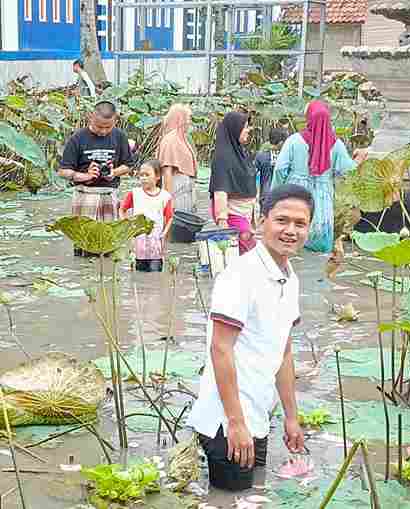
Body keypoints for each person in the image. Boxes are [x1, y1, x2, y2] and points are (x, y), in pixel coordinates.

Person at [187, 184, 312, 492]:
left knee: (253, 492)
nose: (290, 231)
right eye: (281, 220)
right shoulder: (239, 276)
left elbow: (282, 353)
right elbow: (221, 349)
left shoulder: (289, 278)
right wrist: (235, 422)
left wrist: (291, 417)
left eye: (300, 224)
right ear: (260, 222)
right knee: (231, 497)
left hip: (256, 416)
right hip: (227, 420)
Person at [272, 100, 368, 253]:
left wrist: (275, 194)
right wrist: (359, 159)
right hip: (323, 196)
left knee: (290, 233)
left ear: (308, 117)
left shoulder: (294, 140)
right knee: (318, 242)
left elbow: (280, 169)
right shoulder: (336, 145)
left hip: (295, 193)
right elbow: (349, 172)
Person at [58, 100, 134, 256]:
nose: (104, 131)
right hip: (84, 194)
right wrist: (85, 175)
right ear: (91, 117)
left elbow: (128, 165)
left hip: (108, 194)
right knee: (84, 244)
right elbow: (63, 171)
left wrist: (114, 172)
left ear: (115, 120)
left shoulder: (120, 137)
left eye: (108, 127)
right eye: (100, 126)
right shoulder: (78, 138)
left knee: (108, 244)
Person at [209, 112, 257, 254]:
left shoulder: (241, 153)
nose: (248, 130)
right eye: (245, 127)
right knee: (249, 252)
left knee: (245, 254)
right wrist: (223, 221)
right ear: (235, 129)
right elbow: (220, 190)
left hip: (244, 213)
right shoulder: (223, 158)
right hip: (231, 213)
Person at [119, 159, 173, 272]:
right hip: (138, 243)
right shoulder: (134, 194)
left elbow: (169, 218)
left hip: (156, 242)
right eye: (141, 175)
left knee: (155, 275)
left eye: (147, 175)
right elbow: (122, 210)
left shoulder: (165, 196)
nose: (143, 178)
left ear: (157, 176)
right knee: (139, 275)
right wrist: (127, 227)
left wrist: (164, 234)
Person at [157, 104, 197, 213]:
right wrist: (169, 200)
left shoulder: (182, 139)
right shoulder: (170, 140)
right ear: (180, 118)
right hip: (176, 189)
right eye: (188, 118)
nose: (189, 122)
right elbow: (167, 172)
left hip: (185, 189)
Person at [256, 127, 289, 205]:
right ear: (281, 143)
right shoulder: (287, 157)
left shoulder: (261, 156)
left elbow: (253, 174)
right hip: (282, 195)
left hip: (265, 195)